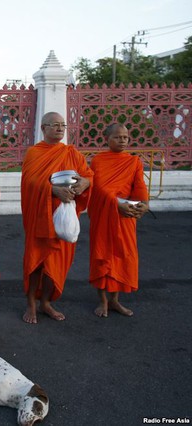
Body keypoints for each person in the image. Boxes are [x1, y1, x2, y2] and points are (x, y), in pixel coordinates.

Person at [20, 112, 93, 324]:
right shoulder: (34, 153)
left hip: (65, 215)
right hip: (41, 214)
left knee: (57, 261)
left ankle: (45, 302)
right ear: (43, 128)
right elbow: (30, 183)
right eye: (55, 125)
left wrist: (84, 184)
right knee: (37, 260)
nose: (60, 129)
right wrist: (53, 191)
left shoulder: (71, 153)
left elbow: (87, 175)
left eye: (63, 125)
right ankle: (31, 303)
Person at [88, 123, 149, 317]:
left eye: (125, 137)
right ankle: (103, 301)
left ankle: (115, 301)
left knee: (123, 255)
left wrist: (144, 204)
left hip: (125, 216)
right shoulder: (98, 161)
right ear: (107, 139)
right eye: (117, 137)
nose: (122, 140)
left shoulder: (133, 162)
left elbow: (139, 186)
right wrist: (115, 203)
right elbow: (98, 188)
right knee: (103, 255)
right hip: (105, 215)